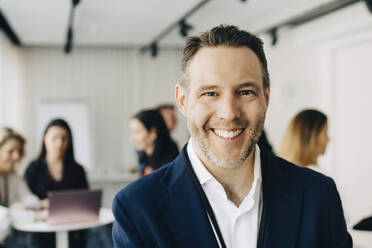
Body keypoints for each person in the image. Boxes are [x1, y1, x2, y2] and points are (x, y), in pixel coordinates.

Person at [113, 25, 351, 247]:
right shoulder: (137, 208)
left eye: (245, 91)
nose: (229, 113)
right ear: (183, 101)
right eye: (210, 93)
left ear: (266, 97)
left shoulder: (318, 196)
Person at [24, 119, 88, 248]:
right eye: (54, 138)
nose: (59, 144)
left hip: (72, 230)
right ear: (45, 139)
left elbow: (85, 200)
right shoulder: (33, 168)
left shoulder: (78, 170)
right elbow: (25, 201)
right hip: (40, 232)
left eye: (64, 138)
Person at [0, 127, 45, 247]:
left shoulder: (11, 176)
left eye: (19, 151)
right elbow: (3, 217)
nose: (16, 156)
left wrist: (34, 205)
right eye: (10, 151)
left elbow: (28, 197)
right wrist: (36, 215)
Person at [130, 109, 179, 175]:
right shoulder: (142, 153)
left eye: (137, 132)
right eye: (132, 132)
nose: (132, 139)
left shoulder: (170, 161)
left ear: (153, 133)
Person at [279, 109, 329, 173]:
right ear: (312, 137)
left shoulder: (278, 172)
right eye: (325, 133)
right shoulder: (319, 176)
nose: (328, 139)